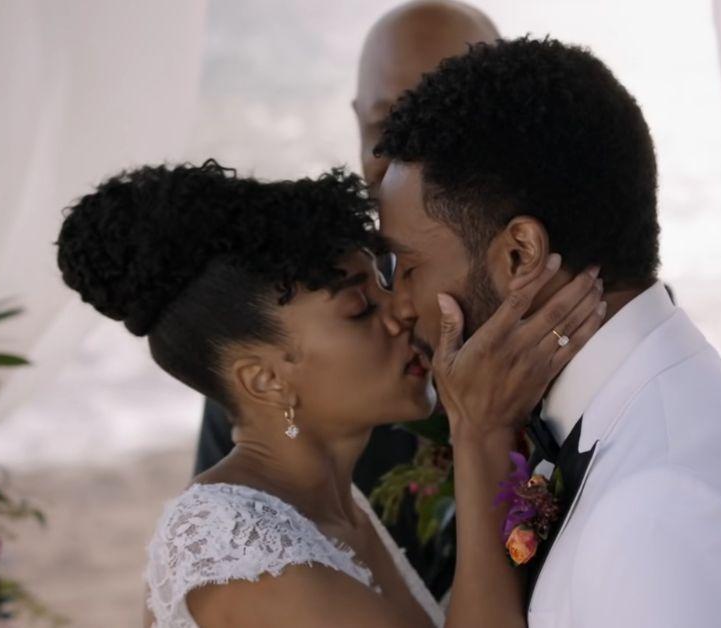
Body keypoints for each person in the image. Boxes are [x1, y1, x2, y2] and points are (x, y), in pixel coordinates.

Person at [374, 36, 721, 627]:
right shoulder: (666, 401)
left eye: (407, 267)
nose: (398, 307)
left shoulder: (657, 511)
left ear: (520, 255)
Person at [56, 160, 602, 626]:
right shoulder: (242, 551)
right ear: (265, 379)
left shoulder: (332, 510)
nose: (402, 310)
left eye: (386, 282)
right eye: (361, 309)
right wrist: (480, 431)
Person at [190, 1, 497, 593]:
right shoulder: (279, 328)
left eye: (452, 127)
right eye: (389, 130)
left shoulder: (578, 318)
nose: (418, 164)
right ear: (358, 124)